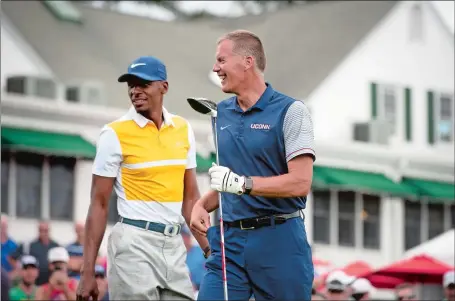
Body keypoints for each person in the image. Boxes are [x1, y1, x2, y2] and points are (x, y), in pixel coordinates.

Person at [190, 30, 315, 301]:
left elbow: (300, 182)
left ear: (247, 62)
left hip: (279, 241)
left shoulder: (292, 112)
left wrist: (242, 185)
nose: (215, 68)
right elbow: (232, 181)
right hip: (230, 242)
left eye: (221, 60)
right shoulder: (221, 113)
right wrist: (203, 204)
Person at [77, 56, 206, 301]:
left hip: (174, 245)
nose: (135, 91)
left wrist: (208, 248)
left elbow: (191, 198)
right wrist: (88, 271)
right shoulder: (113, 134)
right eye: (131, 85)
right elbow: (99, 204)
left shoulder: (183, 129)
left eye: (143, 84)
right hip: (133, 244)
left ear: (163, 87)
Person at [10, 220, 59, 285]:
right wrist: (19, 269)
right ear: (38, 231)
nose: (44, 233)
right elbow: (12, 258)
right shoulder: (30, 245)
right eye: (41, 230)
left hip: (51, 282)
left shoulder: (56, 246)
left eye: (46, 230)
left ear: (49, 231)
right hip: (34, 283)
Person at [181, 226, 206, 291]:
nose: (184, 240)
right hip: (188, 288)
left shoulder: (201, 251)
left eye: (186, 237)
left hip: (204, 286)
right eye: (182, 237)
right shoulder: (178, 255)